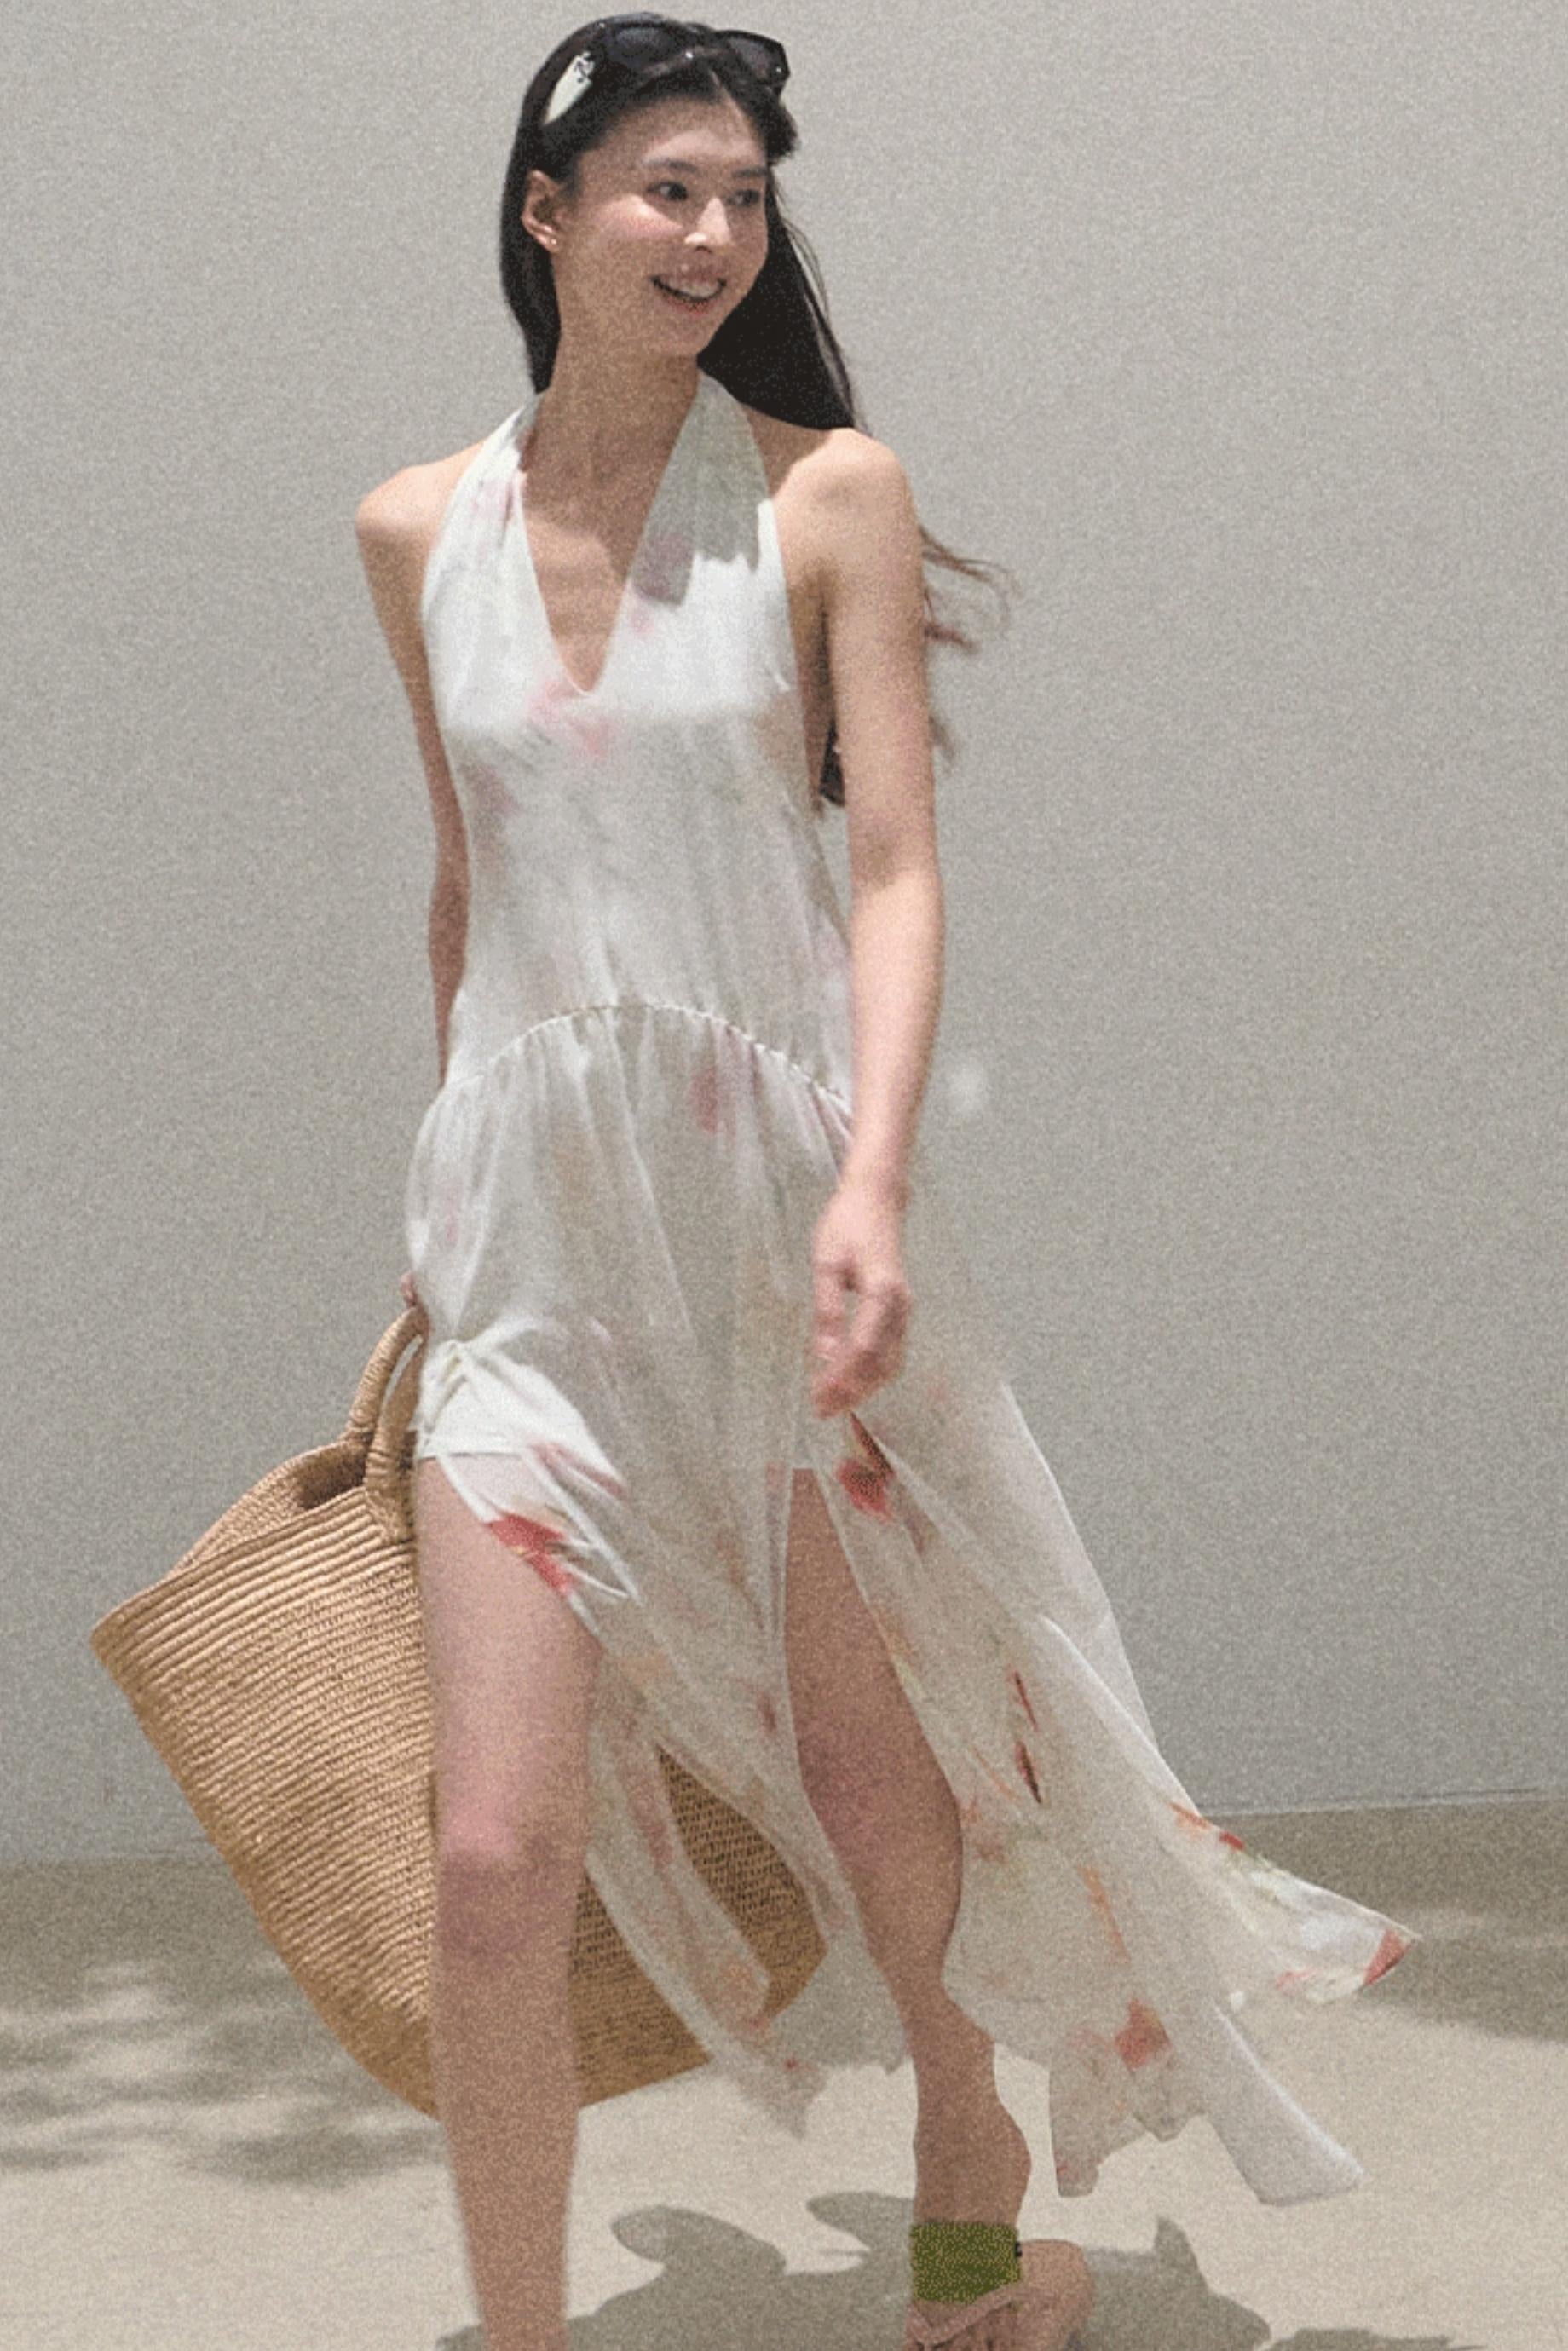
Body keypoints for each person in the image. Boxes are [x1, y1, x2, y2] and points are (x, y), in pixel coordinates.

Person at [355, 19, 1419, 2351]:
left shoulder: (828, 494)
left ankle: (966, 2150)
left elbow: (899, 870)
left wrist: (872, 1192)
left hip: (775, 1224)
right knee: (492, 1851)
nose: (714, 232)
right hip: (531, 1254)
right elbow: (471, 881)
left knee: (870, 1761)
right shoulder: (413, 530)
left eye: (745, 195)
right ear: (547, 215)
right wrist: (439, 1203)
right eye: (667, 188)